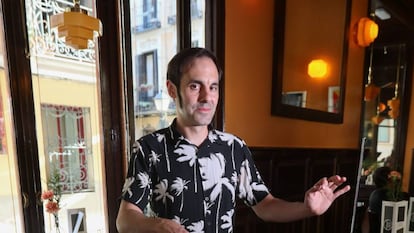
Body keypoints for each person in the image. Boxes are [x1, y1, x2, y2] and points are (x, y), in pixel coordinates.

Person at [116, 47, 351, 233]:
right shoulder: (148, 148)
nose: (207, 97)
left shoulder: (233, 147)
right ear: (172, 89)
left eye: (213, 87)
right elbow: (125, 220)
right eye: (195, 86)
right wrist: (157, 225)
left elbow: (264, 205)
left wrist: (306, 209)